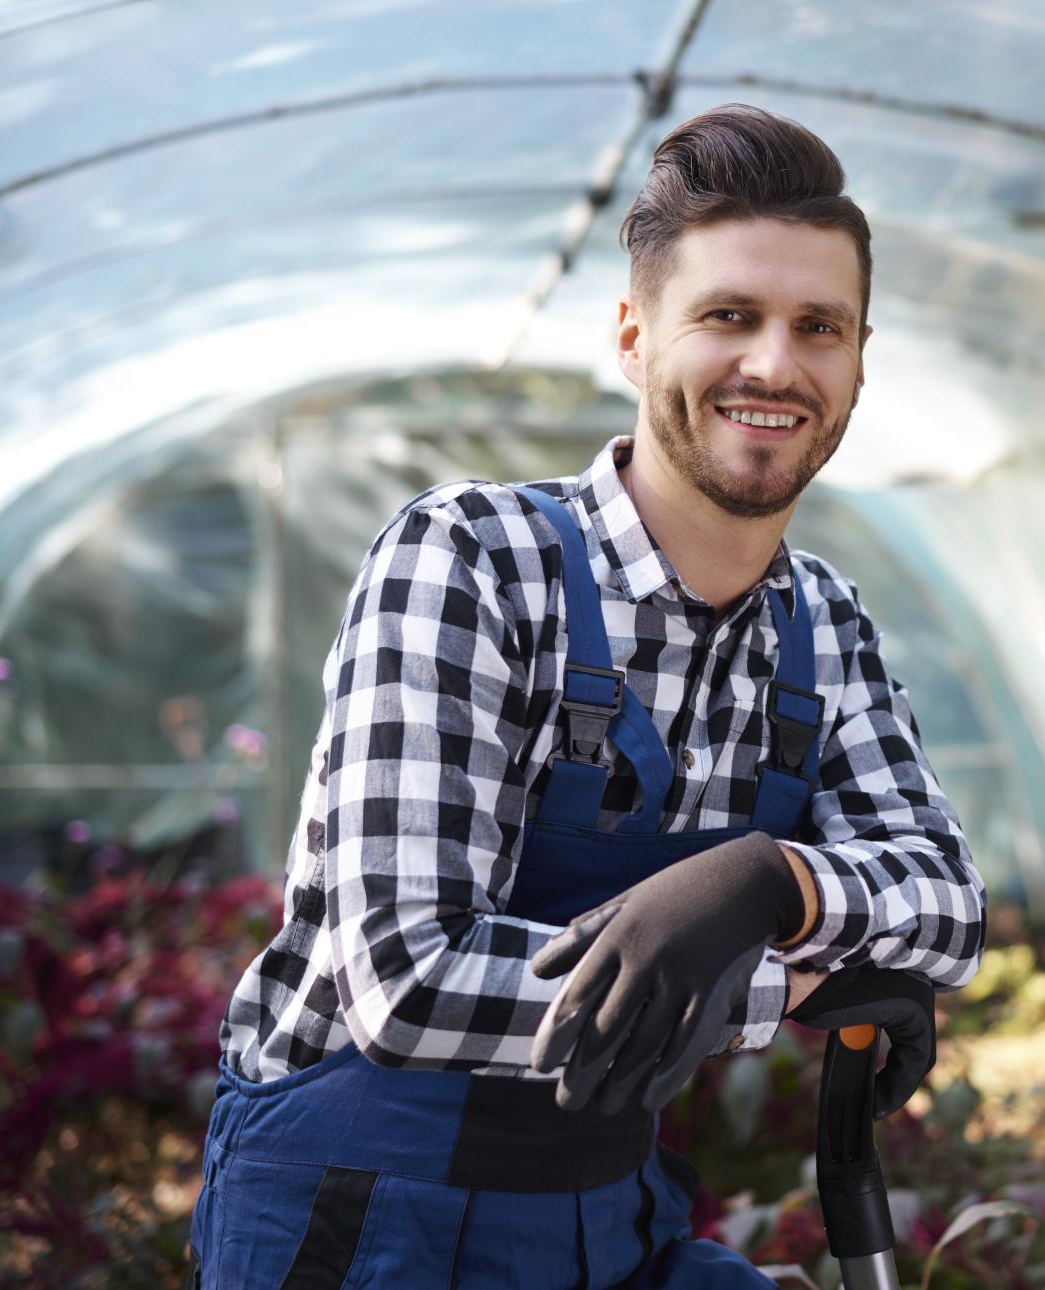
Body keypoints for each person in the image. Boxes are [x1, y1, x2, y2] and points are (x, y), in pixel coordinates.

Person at [188, 103, 987, 1288]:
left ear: (860, 358)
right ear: (632, 336)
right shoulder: (471, 559)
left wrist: (773, 879)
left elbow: (948, 904)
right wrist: (801, 976)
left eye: (819, 326)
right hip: (359, 1216)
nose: (775, 363)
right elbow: (408, 982)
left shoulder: (821, 621)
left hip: (602, 1216)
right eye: (729, 316)